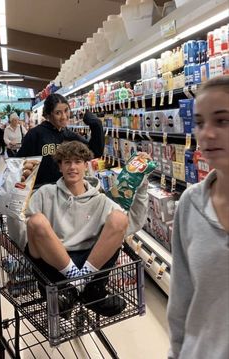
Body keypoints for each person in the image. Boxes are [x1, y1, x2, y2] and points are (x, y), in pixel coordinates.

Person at [25, 141, 149, 317]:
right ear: (60, 167)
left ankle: (77, 287)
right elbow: (27, 235)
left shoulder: (100, 200)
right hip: (52, 266)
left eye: (77, 161)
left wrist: (142, 186)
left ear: (86, 165)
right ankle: (85, 290)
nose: (72, 167)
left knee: (119, 218)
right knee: (36, 221)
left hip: (88, 263)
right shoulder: (45, 193)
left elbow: (131, 223)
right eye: (67, 162)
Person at [167, 75, 229, 359]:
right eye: (200, 122)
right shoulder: (190, 204)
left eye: (222, 121)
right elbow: (180, 299)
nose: (207, 134)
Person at [17, 93, 104, 186]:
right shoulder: (35, 134)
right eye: (58, 113)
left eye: (66, 111)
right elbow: (17, 163)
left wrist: (96, 125)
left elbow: (95, 152)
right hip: (41, 192)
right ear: (48, 114)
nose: (64, 116)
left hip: (65, 191)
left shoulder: (69, 135)